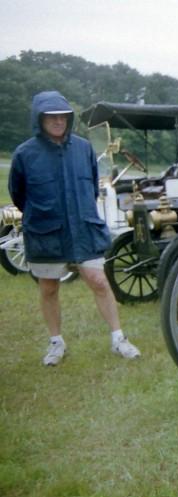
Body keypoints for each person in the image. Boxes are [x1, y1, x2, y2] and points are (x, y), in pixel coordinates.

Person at [8, 90, 141, 366]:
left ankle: (118, 339)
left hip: (83, 227)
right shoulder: (24, 153)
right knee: (48, 287)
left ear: (69, 119)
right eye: (51, 116)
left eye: (63, 116)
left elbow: (92, 186)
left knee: (99, 281)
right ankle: (56, 343)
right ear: (40, 119)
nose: (58, 121)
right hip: (46, 230)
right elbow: (18, 194)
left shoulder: (83, 149)